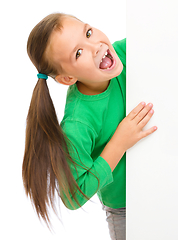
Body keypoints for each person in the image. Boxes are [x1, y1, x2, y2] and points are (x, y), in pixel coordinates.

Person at [22, 13, 157, 240]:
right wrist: (118, 143)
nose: (95, 46)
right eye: (78, 53)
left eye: (88, 32)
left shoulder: (122, 52)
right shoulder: (78, 122)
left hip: (160, 185)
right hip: (126, 210)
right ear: (67, 78)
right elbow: (72, 197)